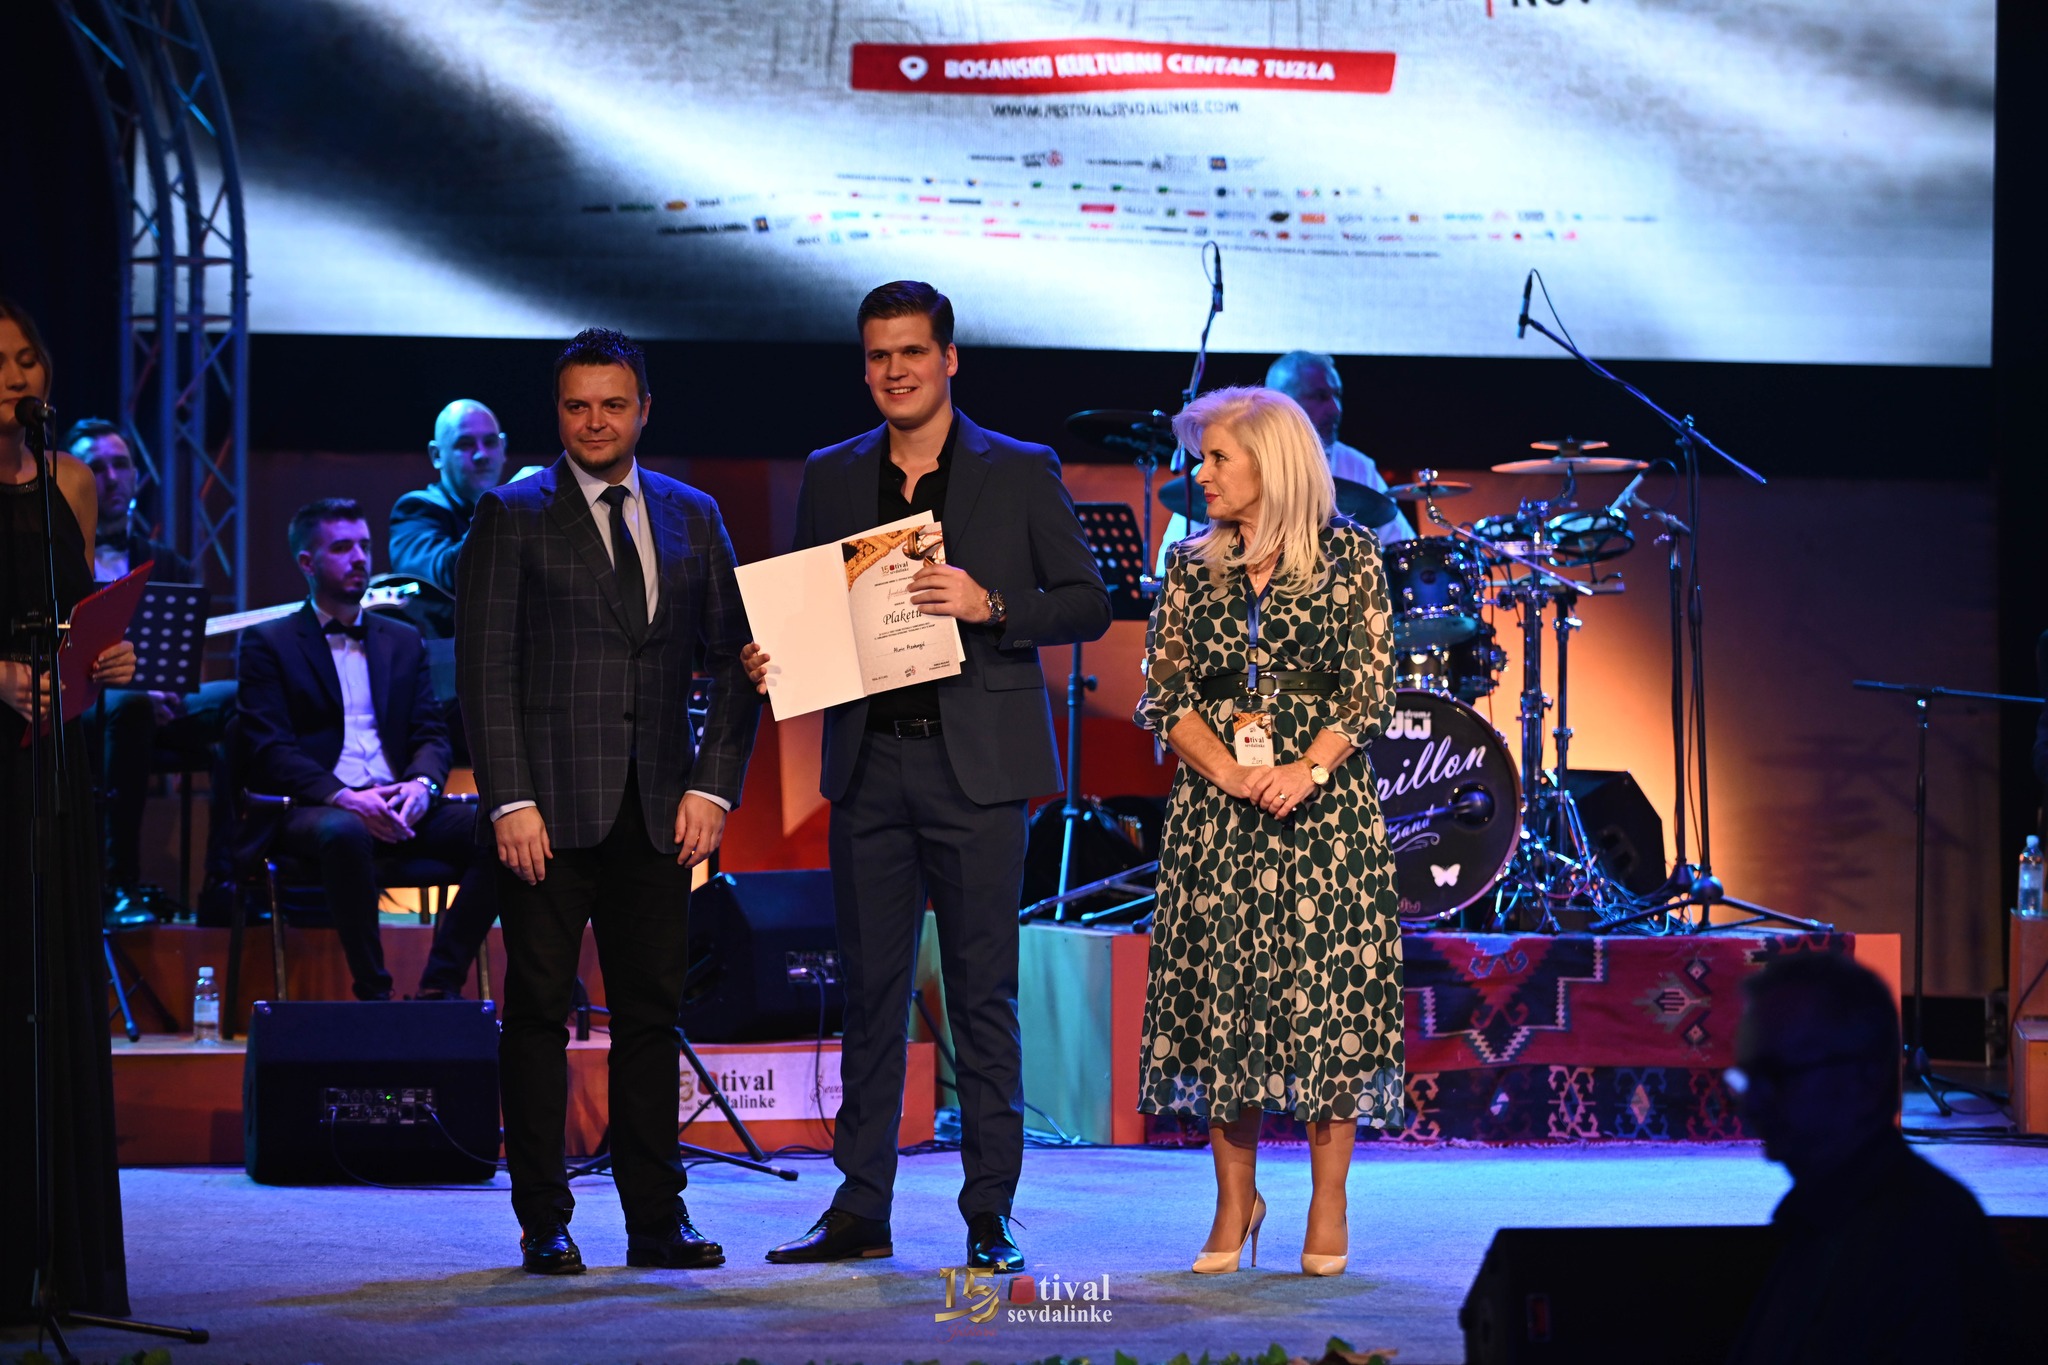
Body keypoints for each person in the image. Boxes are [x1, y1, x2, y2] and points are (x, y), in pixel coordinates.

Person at [744, 281, 1111, 1273]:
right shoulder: (831, 473)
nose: (895, 370)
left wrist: (993, 603)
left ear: (949, 359)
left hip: (978, 773)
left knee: (983, 996)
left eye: (912, 351)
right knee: (869, 996)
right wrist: (773, 653)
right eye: (878, 355)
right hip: (869, 766)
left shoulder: (1018, 468)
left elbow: (1088, 600)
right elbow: (808, 615)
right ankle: (859, 1207)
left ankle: (989, 1214)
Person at [457, 328, 759, 1276]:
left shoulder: (694, 514)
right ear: (559, 412)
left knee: (651, 1018)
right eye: (577, 406)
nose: (595, 422)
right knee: (538, 1015)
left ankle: (656, 1219)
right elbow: (483, 672)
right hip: (545, 814)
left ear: (644, 410)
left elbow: (742, 659)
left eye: (613, 404)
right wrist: (509, 800)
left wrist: (713, 783)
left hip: (662, 811)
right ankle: (544, 1218)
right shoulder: (511, 513)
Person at [1133, 385, 1403, 1278]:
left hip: (1325, 820)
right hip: (1218, 819)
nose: (1201, 474)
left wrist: (1306, 769)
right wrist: (1230, 772)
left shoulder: (1350, 556)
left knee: (1326, 1001)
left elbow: (1369, 689)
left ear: (1273, 463)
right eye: (1200, 457)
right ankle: (1234, 1199)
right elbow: (1165, 696)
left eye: (1218, 458)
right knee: (1226, 1003)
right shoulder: (1189, 566)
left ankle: (1329, 1199)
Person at [1, 299, 136, 1321]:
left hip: (51, 756)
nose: (17, 377)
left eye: (27, 358)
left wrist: (105, 658)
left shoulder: (72, 480)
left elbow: (76, 621)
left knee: (51, 983)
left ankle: (58, 1255)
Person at [235, 498, 497, 1002]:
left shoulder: (403, 639)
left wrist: (422, 787)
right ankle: (374, 994)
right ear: (307, 563)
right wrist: (345, 798)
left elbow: (430, 734)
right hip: (314, 808)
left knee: (497, 828)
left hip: (398, 800)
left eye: (364, 546)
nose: (359, 558)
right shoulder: (269, 643)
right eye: (341, 548)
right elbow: (270, 750)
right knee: (346, 831)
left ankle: (440, 984)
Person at [1725, 951, 2017, 1364]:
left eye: (1777, 1073)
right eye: (1748, 1077)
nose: (1752, 1102)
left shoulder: (1923, 1237)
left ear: (1866, 1078)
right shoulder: (1823, 1213)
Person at [66, 417, 236, 926]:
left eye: (121, 465)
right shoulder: (57, 560)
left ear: (136, 477)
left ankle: (225, 879)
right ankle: (119, 884)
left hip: (154, 702)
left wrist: (166, 688)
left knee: (242, 697)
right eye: (96, 468)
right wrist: (142, 689)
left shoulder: (166, 562)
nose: (111, 478)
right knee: (132, 706)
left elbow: (179, 653)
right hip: (82, 705)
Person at [1155, 351, 1413, 573]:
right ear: (1280, 404)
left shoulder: (1359, 467)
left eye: (1338, 395)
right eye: (1320, 396)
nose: (1336, 409)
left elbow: (1401, 550)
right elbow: (1167, 571)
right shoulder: (1216, 473)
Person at [388, 399, 507, 640]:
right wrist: (501, 510)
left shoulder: (515, 510)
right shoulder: (416, 509)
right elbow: (439, 578)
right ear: (436, 455)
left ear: (503, 447)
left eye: (490, 442)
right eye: (465, 444)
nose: (481, 454)